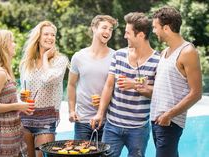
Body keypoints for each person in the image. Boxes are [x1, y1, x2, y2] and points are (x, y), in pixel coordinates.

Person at [90, 12, 160, 157]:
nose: (124, 36)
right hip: (112, 126)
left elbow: (158, 92)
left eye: (128, 33)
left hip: (138, 129)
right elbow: (109, 86)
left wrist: (135, 85)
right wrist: (100, 114)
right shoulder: (119, 55)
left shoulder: (158, 61)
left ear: (140, 35)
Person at [151, 6, 202, 157]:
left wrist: (169, 115)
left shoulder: (188, 52)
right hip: (156, 120)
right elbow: (162, 88)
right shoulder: (165, 52)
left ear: (166, 28)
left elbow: (196, 93)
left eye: (155, 27)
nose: (154, 31)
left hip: (170, 122)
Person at [0, 29, 35, 157]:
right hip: (1, 136)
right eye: (12, 41)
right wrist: (18, 106)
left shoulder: (3, 71)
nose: (15, 44)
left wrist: (18, 103)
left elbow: (2, 101)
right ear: (3, 46)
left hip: (10, 132)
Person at [19, 21, 69, 157]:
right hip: (26, 117)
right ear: (38, 37)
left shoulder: (60, 61)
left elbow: (49, 78)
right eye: (46, 34)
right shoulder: (27, 62)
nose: (50, 37)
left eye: (53, 35)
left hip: (46, 119)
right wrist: (22, 97)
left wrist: (45, 57)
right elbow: (24, 87)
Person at [67, 15, 118, 141]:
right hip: (82, 120)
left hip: (108, 121)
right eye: (104, 27)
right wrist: (71, 110)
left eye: (111, 29)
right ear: (94, 28)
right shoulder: (78, 56)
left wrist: (106, 99)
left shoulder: (116, 56)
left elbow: (118, 88)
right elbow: (71, 85)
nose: (107, 32)